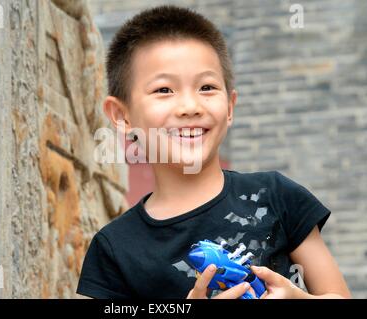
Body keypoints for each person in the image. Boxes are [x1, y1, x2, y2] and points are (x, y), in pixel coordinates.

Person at [76, 5, 351, 299]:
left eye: (206, 87)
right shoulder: (114, 248)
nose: (190, 107)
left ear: (230, 107)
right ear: (121, 115)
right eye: (164, 90)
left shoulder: (276, 196)